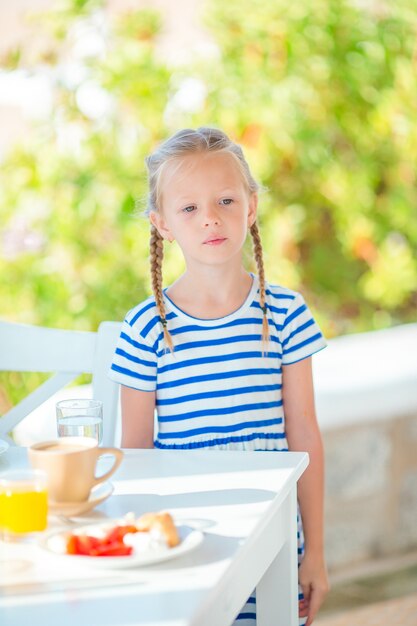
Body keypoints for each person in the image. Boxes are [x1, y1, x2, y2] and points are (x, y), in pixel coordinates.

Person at [109, 127, 329, 625]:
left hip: (276, 545)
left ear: (250, 207)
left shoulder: (287, 314)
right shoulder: (145, 329)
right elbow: (136, 455)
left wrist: (314, 551)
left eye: (225, 200)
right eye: (189, 208)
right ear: (162, 223)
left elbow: (306, 434)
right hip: (186, 549)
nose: (210, 217)